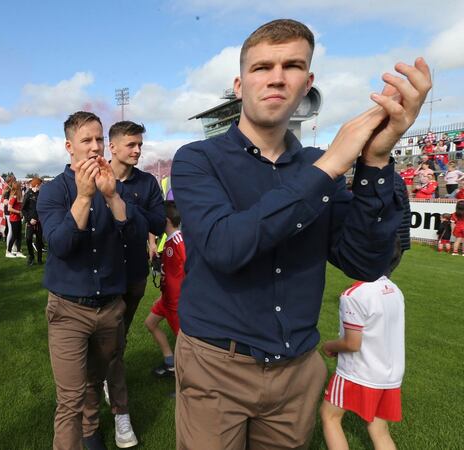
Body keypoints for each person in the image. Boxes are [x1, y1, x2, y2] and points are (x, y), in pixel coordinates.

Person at [170, 19, 431, 449]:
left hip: (296, 370)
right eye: (261, 67)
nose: (276, 77)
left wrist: (376, 162)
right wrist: (329, 167)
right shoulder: (198, 159)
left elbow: (365, 263)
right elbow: (225, 246)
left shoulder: (316, 163)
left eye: (291, 66)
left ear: (307, 82)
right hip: (217, 364)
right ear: (239, 84)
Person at [37, 111, 147, 450]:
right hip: (69, 309)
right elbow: (61, 246)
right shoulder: (54, 191)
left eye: (100, 139)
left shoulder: (115, 186)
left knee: (95, 379)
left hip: (110, 307)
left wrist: (112, 197)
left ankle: (91, 430)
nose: (96, 147)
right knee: (69, 399)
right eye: (87, 140)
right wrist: (84, 198)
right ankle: (81, 434)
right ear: (70, 146)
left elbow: (137, 239)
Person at [103, 120, 166, 447]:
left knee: (120, 336)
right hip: (101, 278)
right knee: (113, 342)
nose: (138, 150)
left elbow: (157, 222)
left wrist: (121, 206)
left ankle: (105, 375)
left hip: (136, 275)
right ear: (112, 146)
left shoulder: (148, 183)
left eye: (140, 144)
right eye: (131, 144)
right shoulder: (97, 178)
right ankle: (120, 412)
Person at [320, 242, 405, 450]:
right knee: (379, 430)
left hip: (357, 372)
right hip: (389, 375)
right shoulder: (394, 290)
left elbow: (352, 343)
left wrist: (328, 346)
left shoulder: (354, 295)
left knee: (329, 416)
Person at [143, 200, 184, 377]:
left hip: (177, 302)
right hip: (166, 299)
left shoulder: (179, 241)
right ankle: (170, 363)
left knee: (184, 342)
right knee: (150, 323)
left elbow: (190, 268)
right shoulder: (168, 242)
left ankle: (186, 381)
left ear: (165, 220)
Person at [21, 177, 44, 265]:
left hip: (39, 222)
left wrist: (39, 218)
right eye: (40, 185)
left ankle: (39, 259)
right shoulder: (28, 194)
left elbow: (42, 208)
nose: (41, 187)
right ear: (37, 185)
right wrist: (29, 219)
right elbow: (23, 209)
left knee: (39, 241)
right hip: (30, 222)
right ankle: (31, 256)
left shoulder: (41, 194)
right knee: (28, 239)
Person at [5, 180, 25, 259]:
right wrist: (19, 212)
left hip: (18, 218)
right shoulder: (14, 197)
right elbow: (9, 208)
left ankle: (18, 251)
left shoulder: (17, 196)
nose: (21, 187)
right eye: (20, 186)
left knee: (19, 236)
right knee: (14, 236)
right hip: (14, 219)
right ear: (17, 188)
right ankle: (8, 251)